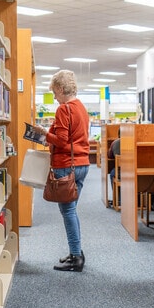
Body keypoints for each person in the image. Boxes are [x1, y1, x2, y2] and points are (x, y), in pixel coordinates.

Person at [35, 70, 90, 272]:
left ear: (60, 88)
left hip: (66, 164)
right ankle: (75, 251)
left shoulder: (64, 109)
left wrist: (44, 133)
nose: (56, 98)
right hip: (82, 164)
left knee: (68, 211)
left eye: (55, 93)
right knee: (71, 210)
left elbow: (62, 140)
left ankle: (76, 256)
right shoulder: (81, 108)